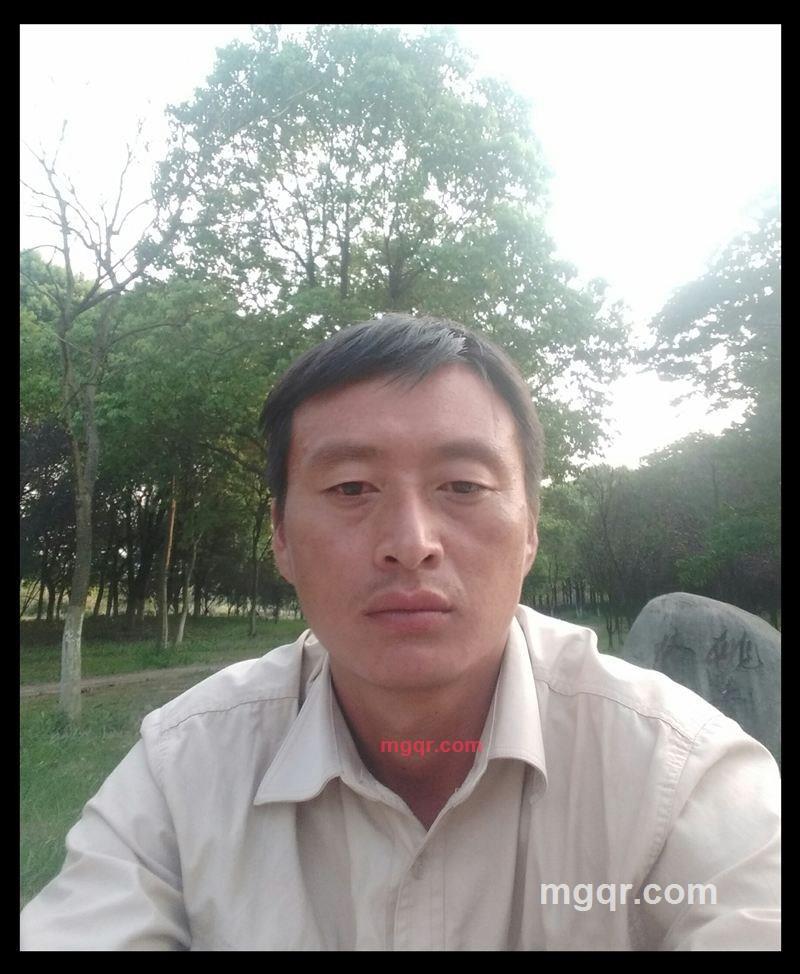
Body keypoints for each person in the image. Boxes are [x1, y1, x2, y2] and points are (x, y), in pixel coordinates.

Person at [21, 314, 780, 950]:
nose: (411, 543)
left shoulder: (677, 776)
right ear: (281, 536)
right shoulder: (185, 770)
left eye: (464, 486)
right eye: (351, 487)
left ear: (529, 531)